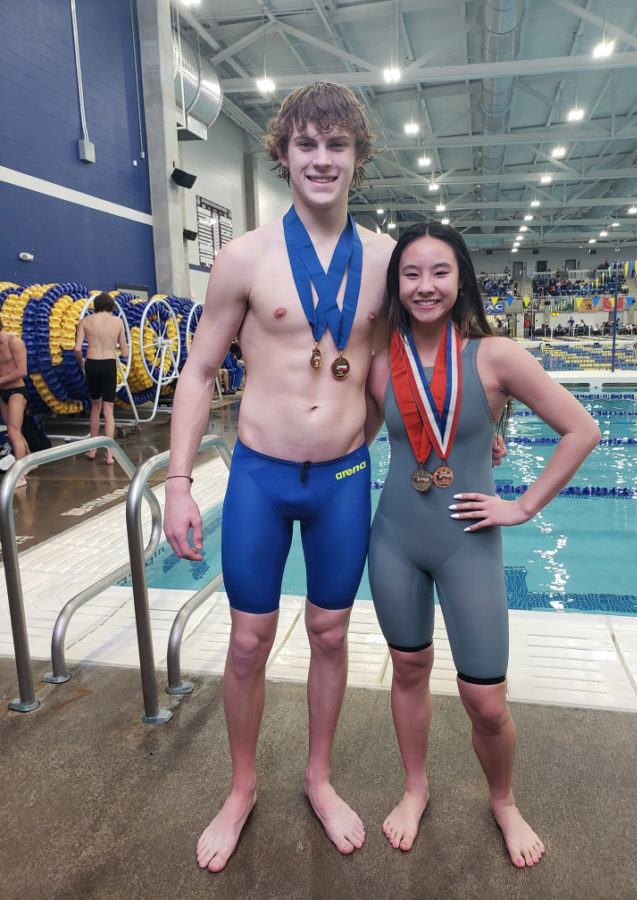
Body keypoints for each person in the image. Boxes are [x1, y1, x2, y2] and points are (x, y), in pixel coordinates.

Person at [162, 81, 396, 872]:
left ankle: (319, 777)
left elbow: (413, 368)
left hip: (341, 480)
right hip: (261, 474)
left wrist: (469, 435)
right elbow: (196, 374)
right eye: (306, 144)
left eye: (337, 145)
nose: (321, 159)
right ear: (284, 154)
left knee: (330, 634)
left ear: (357, 158)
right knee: (246, 641)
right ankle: (240, 787)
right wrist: (178, 484)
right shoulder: (244, 257)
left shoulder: (387, 262)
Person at [365, 222, 600, 867]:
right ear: (397, 286)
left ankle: (503, 799)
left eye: (439, 272)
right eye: (411, 274)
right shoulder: (383, 365)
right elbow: (351, 435)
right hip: (393, 538)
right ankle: (416, 787)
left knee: (485, 700)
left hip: (469, 541)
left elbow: (582, 430)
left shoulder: (495, 356)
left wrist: (523, 505)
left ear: (461, 278)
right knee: (408, 669)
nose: (425, 286)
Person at [74, 292, 128, 465]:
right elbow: (125, 353)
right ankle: (109, 454)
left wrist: (82, 362)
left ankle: (92, 449)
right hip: (108, 364)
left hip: (92, 363)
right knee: (109, 410)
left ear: (95, 306)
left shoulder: (85, 321)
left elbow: (76, 349)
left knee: (95, 407)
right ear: (111, 306)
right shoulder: (118, 322)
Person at [0, 317, 30, 488]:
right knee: (15, 431)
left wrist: (1, 380)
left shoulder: (15, 342)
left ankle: (19, 475)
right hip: (2, 391)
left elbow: (22, 371)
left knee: (12, 432)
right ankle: (30, 460)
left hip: (16, 391)